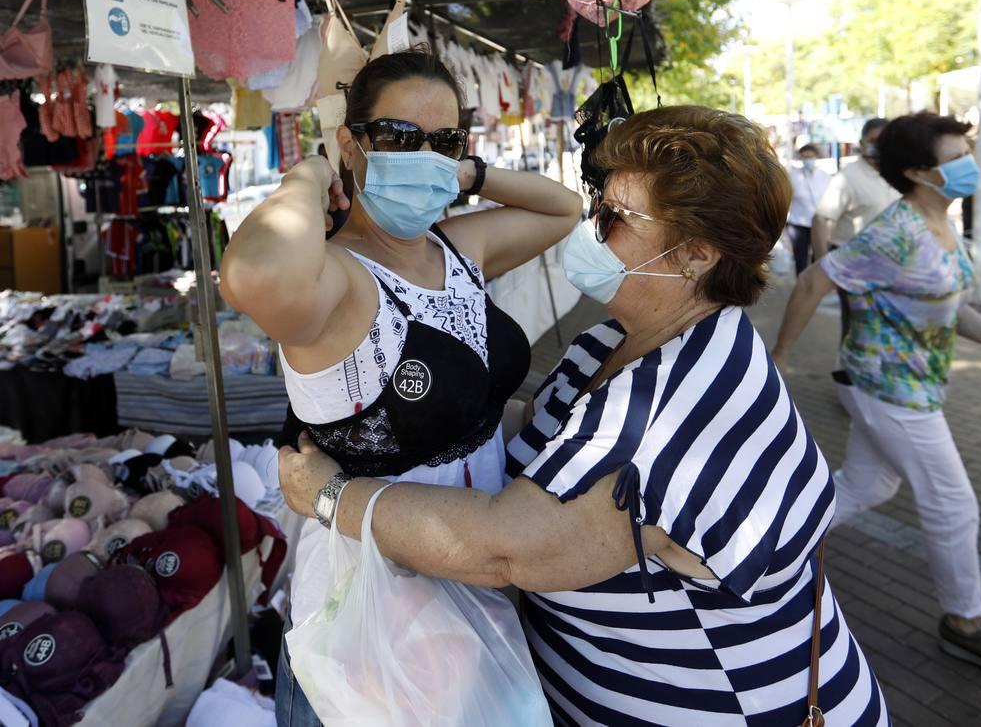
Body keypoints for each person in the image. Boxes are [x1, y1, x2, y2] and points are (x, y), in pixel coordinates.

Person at [281, 106, 888, 726]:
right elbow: (542, 430)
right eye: (598, 202)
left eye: (616, 218)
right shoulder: (615, 343)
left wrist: (330, 494)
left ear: (697, 255)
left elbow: (506, 550)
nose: (592, 227)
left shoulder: (671, 408)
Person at [219, 49, 581, 727]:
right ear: (354, 143)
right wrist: (311, 170)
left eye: (442, 141)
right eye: (398, 138)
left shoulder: (456, 250)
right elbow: (257, 274)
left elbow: (563, 209)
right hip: (375, 607)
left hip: (476, 569)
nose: (423, 157)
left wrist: (465, 172)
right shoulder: (337, 278)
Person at [773, 112, 981, 683]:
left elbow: (947, 308)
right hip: (889, 391)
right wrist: (778, 360)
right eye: (955, 156)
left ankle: (769, 546)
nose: (969, 165)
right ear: (918, 172)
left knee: (867, 485)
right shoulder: (895, 231)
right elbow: (812, 281)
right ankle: (966, 624)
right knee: (954, 505)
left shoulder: (941, 227)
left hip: (908, 387)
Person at [813, 118, 899, 342]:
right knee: (856, 329)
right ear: (862, 142)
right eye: (873, 141)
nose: (879, 146)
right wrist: (824, 265)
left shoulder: (896, 174)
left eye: (885, 141)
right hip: (854, 267)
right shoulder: (848, 178)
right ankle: (850, 374)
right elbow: (821, 219)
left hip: (892, 265)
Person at [787, 141, 830, 273]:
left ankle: (814, 287)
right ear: (800, 158)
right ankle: (801, 285)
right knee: (800, 259)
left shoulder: (825, 176)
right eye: (805, 157)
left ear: (816, 157)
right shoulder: (793, 176)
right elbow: (787, 198)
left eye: (810, 157)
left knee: (818, 259)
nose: (808, 160)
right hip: (798, 223)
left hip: (819, 223)